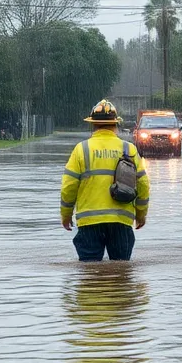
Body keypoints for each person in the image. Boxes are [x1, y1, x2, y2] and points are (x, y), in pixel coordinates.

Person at [60, 99, 150, 262]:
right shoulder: (129, 149)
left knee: (90, 275)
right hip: (121, 221)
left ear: (93, 125)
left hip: (89, 223)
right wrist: (141, 214)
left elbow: (69, 186)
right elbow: (143, 184)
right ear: (115, 124)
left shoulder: (82, 149)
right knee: (122, 275)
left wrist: (66, 215)